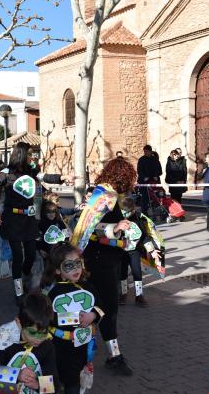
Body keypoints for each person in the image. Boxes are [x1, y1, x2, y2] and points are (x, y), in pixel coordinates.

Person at [70, 157, 137, 376]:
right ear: (123, 177)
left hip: (104, 260)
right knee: (107, 308)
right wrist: (114, 226)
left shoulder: (111, 195)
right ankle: (113, 356)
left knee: (99, 306)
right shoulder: (106, 195)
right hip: (98, 261)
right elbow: (88, 227)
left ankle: (93, 347)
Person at [0, 142, 71, 302]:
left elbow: (45, 177)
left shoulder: (32, 171)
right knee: (18, 256)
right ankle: (19, 292)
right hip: (12, 220)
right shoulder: (6, 173)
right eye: (30, 154)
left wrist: (62, 178)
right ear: (21, 155)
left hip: (29, 221)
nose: (33, 157)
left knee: (31, 255)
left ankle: (23, 277)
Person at [41, 243, 103, 394]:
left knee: (78, 376)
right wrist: (74, 318)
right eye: (69, 265)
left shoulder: (87, 286)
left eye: (78, 263)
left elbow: (100, 305)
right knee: (65, 378)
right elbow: (47, 317)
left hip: (84, 344)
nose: (76, 268)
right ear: (57, 270)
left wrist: (93, 314)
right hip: (61, 345)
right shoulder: (52, 293)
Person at [0, 293, 59, 394]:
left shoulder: (47, 346)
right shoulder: (5, 342)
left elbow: (54, 384)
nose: (38, 339)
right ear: (19, 323)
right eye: (33, 332)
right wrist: (17, 375)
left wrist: (38, 385)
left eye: (44, 333)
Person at [117, 197, 163, 307]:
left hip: (135, 250)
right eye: (123, 211)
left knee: (137, 272)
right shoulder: (117, 217)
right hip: (121, 250)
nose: (125, 214)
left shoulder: (139, 218)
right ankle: (123, 293)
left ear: (133, 209)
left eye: (128, 211)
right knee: (122, 272)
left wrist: (152, 251)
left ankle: (139, 295)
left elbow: (144, 236)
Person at [137, 144, 163, 213]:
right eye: (144, 151)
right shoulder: (141, 160)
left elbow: (160, 171)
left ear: (150, 151)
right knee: (145, 198)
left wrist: (156, 176)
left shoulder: (155, 160)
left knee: (157, 197)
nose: (145, 153)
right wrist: (144, 177)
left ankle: (157, 212)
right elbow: (139, 170)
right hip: (144, 183)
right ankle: (144, 212)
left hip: (154, 182)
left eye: (147, 151)